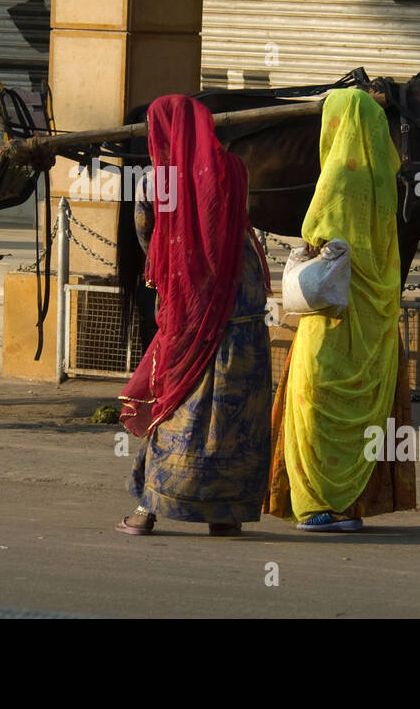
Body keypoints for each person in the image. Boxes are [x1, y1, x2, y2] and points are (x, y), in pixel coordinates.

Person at [116, 95, 273, 537]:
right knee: (232, 414)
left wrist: (177, 278)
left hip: (191, 307)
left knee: (175, 403)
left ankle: (148, 511)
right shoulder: (234, 171)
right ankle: (226, 513)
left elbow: (149, 239)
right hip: (243, 308)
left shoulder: (154, 181)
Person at [264, 88, 415, 533]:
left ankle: (313, 502)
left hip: (331, 318)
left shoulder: (338, 177)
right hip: (372, 315)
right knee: (359, 401)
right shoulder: (387, 175)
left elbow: (316, 232)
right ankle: (343, 502)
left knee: (316, 401)